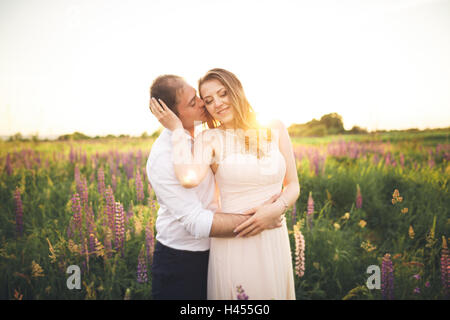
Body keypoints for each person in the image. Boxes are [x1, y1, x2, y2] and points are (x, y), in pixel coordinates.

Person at [149, 68, 299, 300]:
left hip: (274, 237)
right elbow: (188, 178)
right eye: (208, 100)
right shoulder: (208, 138)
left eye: (223, 93)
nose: (216, 103)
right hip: (235, 244)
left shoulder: (275, 127)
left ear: (237, 91)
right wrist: (177, 130)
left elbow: (293, 185)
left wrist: (276, 209)